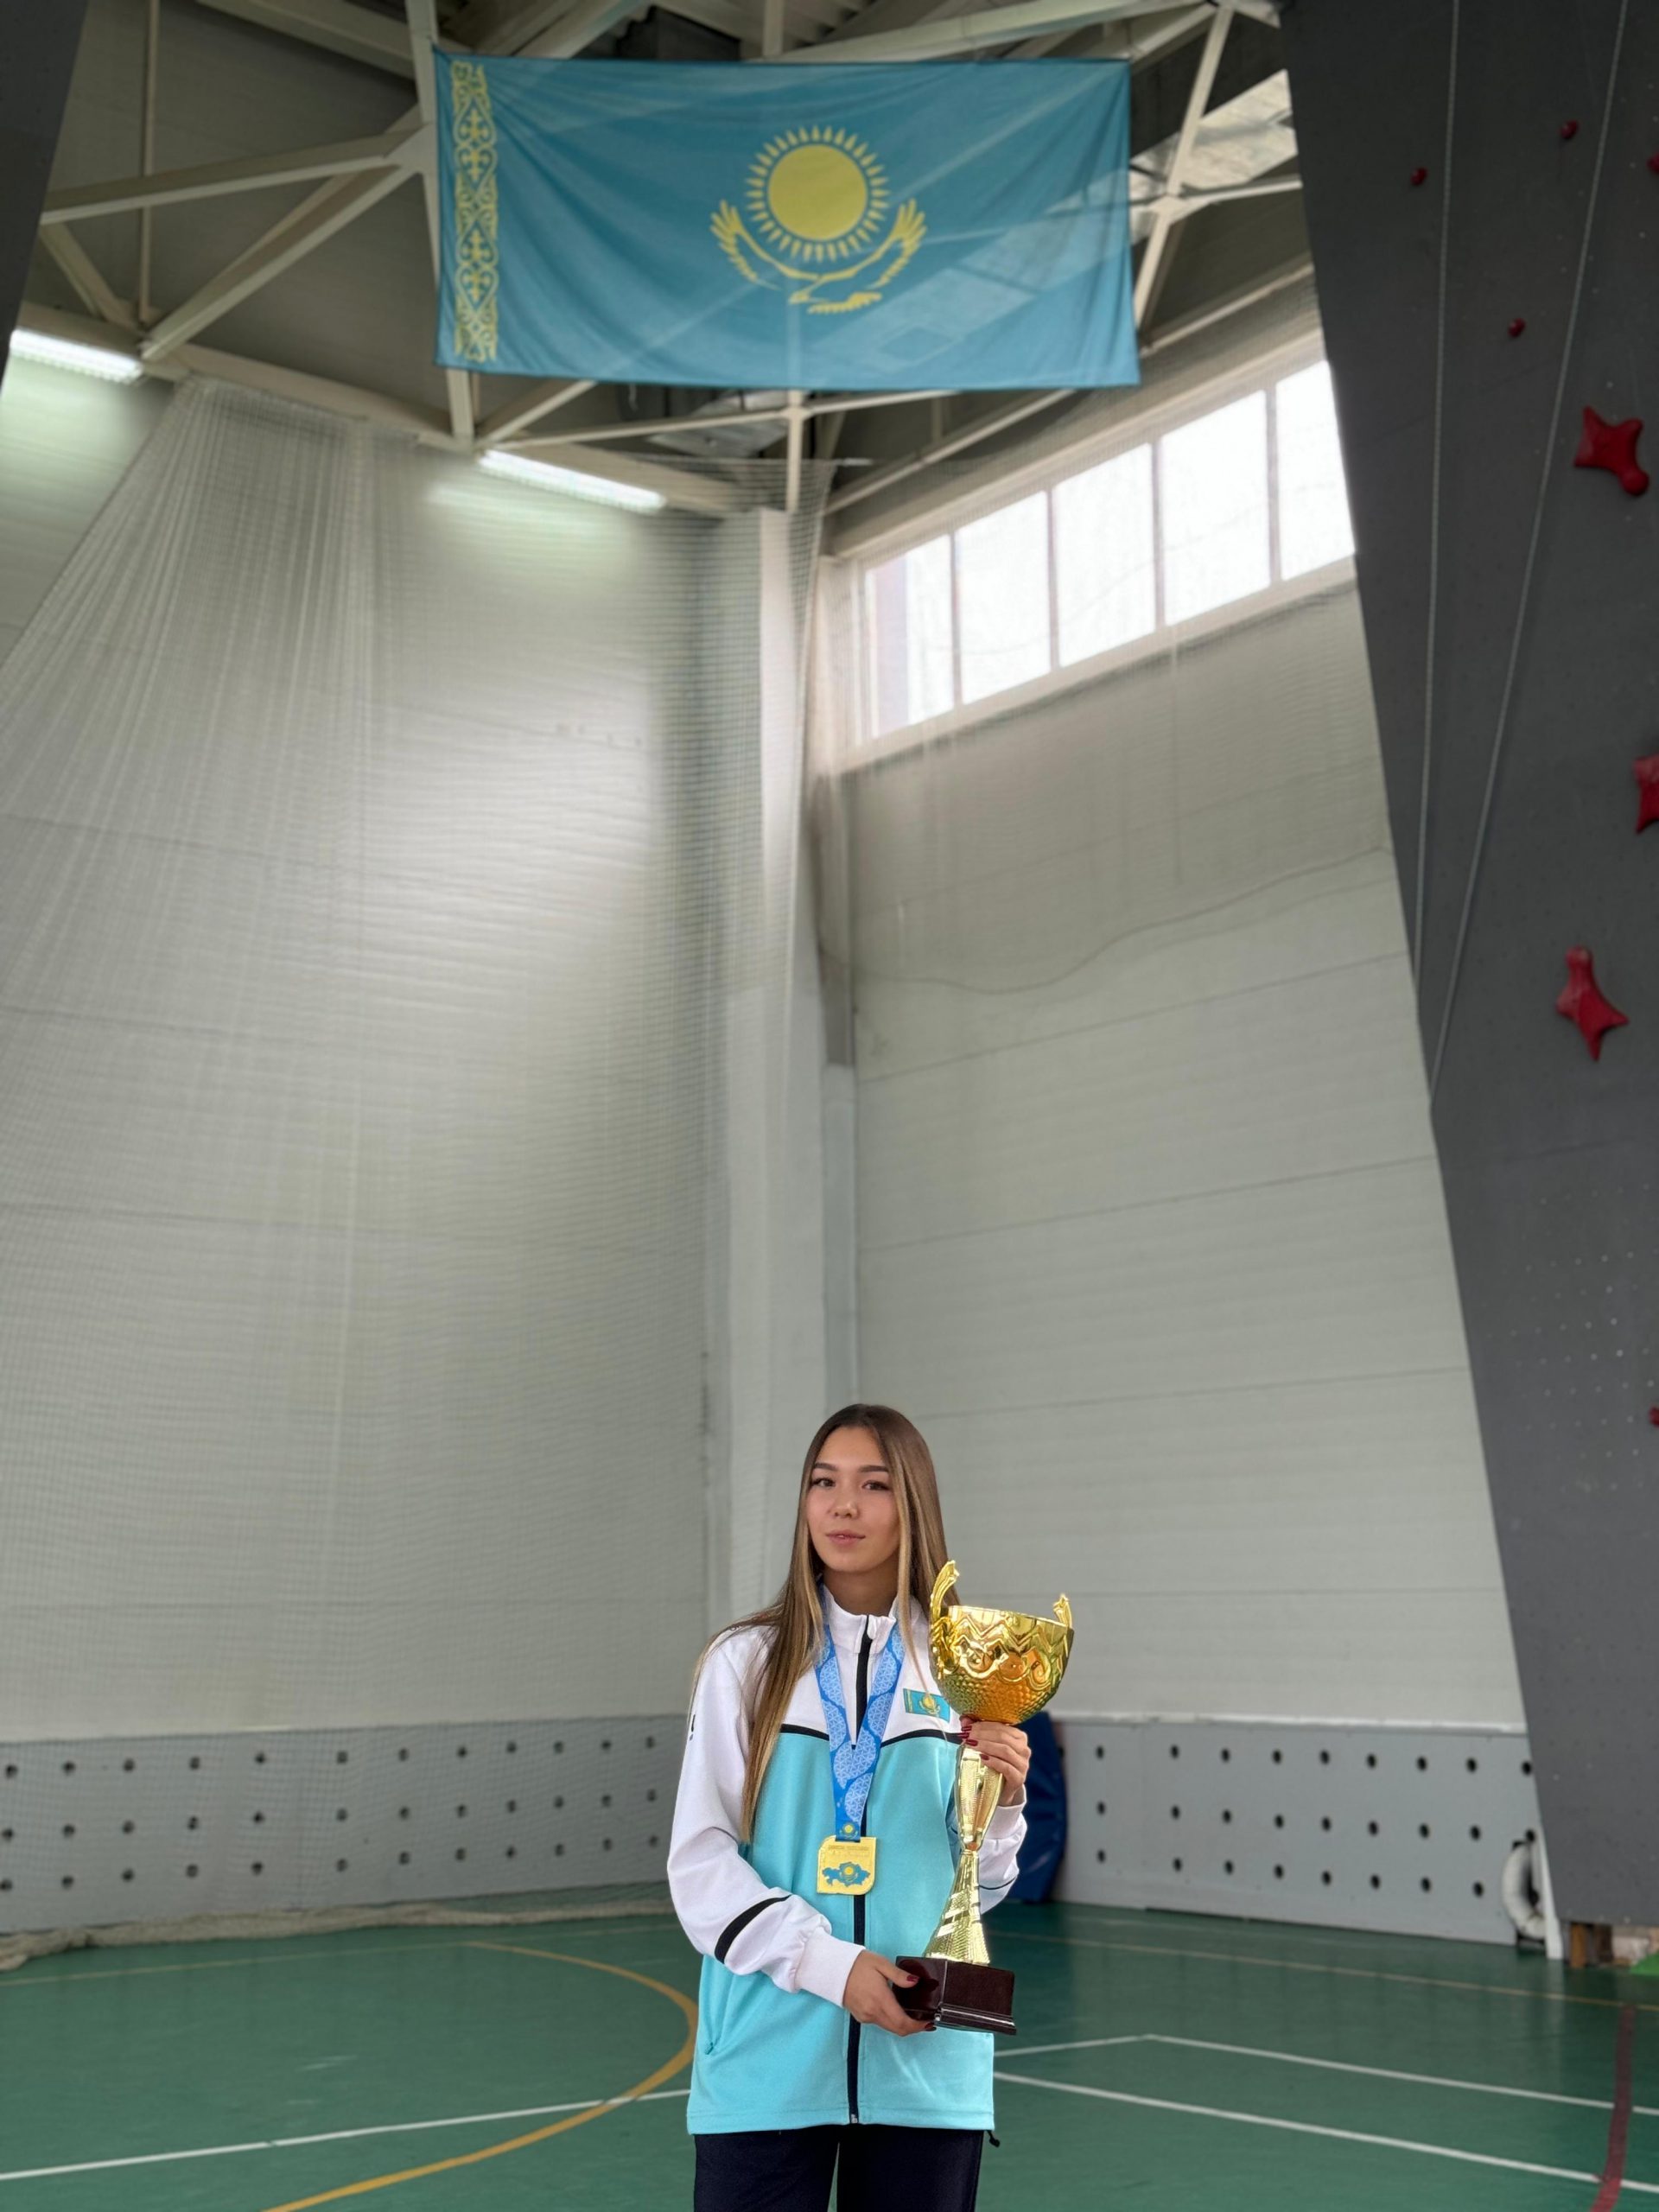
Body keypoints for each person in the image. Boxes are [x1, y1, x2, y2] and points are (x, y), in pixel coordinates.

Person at [668, 1402, 1030, 2212]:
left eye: (873, 1485)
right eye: (823, 1483)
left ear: (913, 1504)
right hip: (765, 2064)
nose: (842, 1506)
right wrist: (831, 1968)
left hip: (925, 2067)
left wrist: (1003, 1805)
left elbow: (981, 1890)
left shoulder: (965, 1668)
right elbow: (700, 1865)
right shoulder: (745, 1663)